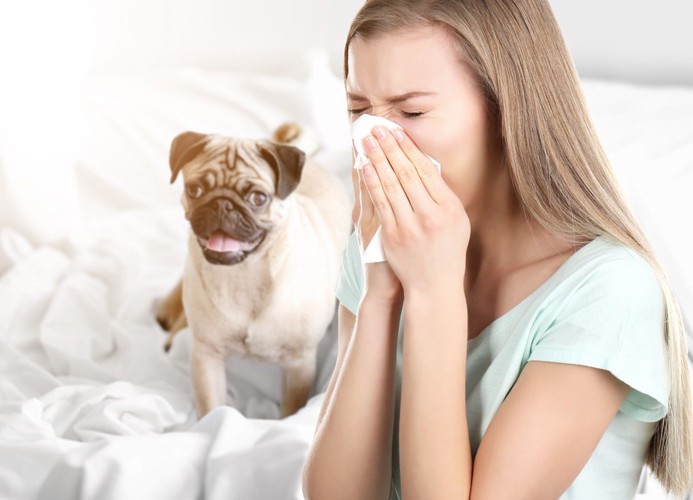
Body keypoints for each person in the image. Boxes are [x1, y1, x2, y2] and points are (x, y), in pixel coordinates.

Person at [302, 0, 693, 498]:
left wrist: (434, 292)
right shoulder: (383, 251)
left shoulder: (608, 291)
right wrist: (380, 292)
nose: (372, 141)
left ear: (508, 110)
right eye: (358, 110)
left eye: (412, 111)